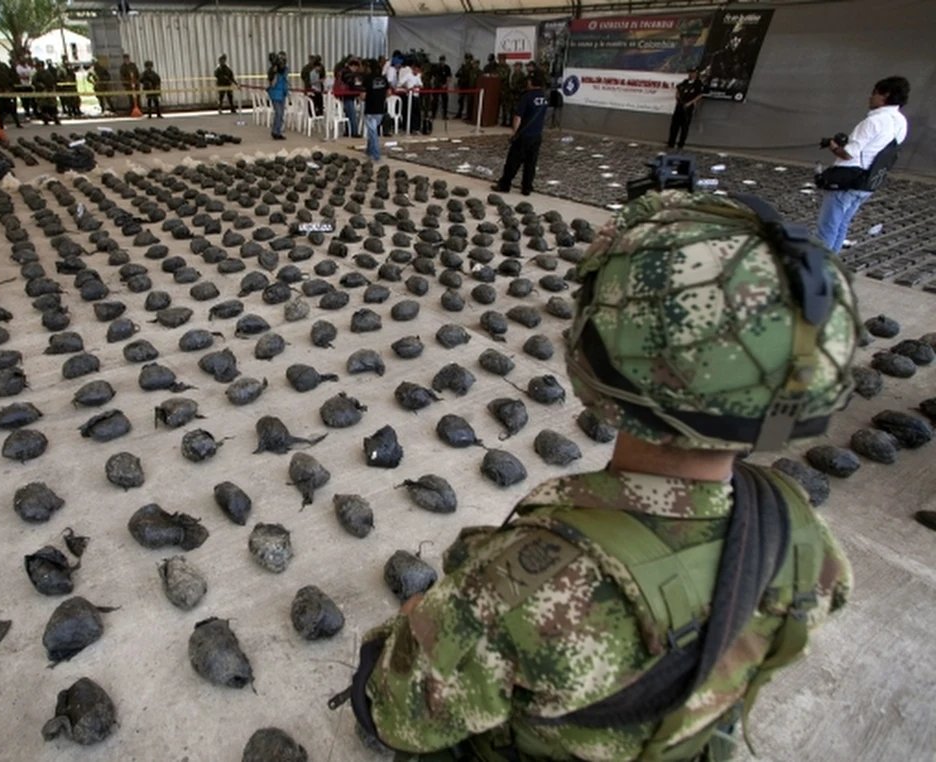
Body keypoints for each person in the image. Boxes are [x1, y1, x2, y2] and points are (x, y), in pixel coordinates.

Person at [345, 189, 860, 762]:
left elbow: (392, 713)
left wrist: (416, 623)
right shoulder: (804, 537)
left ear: (596, 370)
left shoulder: (522, 589)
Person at [816, 76, 909, 253]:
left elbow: (847, 154)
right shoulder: (901, 123)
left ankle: (818, 271)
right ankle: (831, 267)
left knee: (827, 227)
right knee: (842, 225)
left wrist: (832, 145)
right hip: (868, 182)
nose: (870, 97)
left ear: (885, 95)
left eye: (874, 93)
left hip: (847, 181)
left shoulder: (873, 121)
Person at [492, 73, 548, 195]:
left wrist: (514, 132)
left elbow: (518, 117)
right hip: (537, 135)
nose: (527, 83)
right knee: (531, 163)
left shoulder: (527, 97)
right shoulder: (544, 97)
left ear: (532, 83)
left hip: (524, 135)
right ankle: (527, 187)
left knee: (513, 161)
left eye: (529, 81)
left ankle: (505, 184)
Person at [667, 68, 704, 150]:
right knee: (674, 125)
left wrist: (690, 103)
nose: (691, 75)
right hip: (680, 105)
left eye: (693, 73)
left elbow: (700, 95)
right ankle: (671, 143)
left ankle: (681, 144)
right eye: (690, 73)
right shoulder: (685, 82)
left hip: (688, 107)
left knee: (684, 127)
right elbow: (678, 87)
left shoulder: (698, 84)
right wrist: (677, 94)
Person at [361, 60, 389, 162]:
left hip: (370, 109)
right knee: (372, 130)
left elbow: (363, 96)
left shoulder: (367, 79)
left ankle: (377, 155)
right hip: (380, 108)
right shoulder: (384, 79)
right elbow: (388, 92)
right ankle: (369, 151)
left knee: (373, 132)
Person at [0, 54, 23, 128]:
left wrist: (9, 90)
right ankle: (0, 125)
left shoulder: (4, 75)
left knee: (12, 109)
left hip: (6, 93)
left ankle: (17, 123)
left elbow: (10, 82)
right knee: (1, 111)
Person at [396, 58, 423, 134]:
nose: (417, 71)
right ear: (413, 68)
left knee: (417, 112)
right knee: (409, 113)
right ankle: (409, 128)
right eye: (416, 69)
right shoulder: (408, 75)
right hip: (410, 96)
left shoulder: (418, 75)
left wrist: (416, 86)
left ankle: (416, 128)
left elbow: (421, 85)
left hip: (416, 96)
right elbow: (399, 83)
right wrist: (406, 88)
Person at [339, 58, 364, 139]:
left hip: (345, 96)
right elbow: (353, 84)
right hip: (347, 96)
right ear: (352, 66)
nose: (356, 69)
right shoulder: (347, 74)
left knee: (348, 114)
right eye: (355, 67)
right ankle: (354, 132)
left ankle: (347, 131)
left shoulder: (343, 72)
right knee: (352, 114)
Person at [266, 51, 289, 140]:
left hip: (282, 93)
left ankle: (278, 131)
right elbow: (273, 84)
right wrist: (275, 73)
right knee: (278, 113)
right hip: (275, 94)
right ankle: (275, 131)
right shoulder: (272, 71)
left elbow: (286, 76)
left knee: (281, 113)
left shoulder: (284, 70)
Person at [32, 60, 62, 125]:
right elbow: (34, 82)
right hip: (41, 92)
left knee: (52, 106)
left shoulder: (47, 73)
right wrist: (39, 85)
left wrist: (52, 89)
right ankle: (46, 120)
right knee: (43, 106)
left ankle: (55, 119)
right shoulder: (36, 74)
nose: (38, 68)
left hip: (49, 91)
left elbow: (52, 81)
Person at [429, 55, 452, 120]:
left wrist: (446, 84)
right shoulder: (436, 67)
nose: (442, 61)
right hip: (437, 85)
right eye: (441, 60)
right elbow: (433, 76)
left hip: (444, 86)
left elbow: (449, 77)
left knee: (445, 101)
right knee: (434, 101)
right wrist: (433, 84)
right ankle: (433, 114)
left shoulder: (447, 67)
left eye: (443, 60)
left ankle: (444, 115)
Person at [454, 54, 472, 119]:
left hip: (468, 86)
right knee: (460, 101)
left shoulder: (471, 67)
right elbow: (456, 74)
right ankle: (459, 113)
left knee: (469, 102)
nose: (467, 60)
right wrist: (461, 71)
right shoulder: (463, 67)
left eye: (468, 59)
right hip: (462, 85)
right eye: (466, 59)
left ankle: (469, 115)